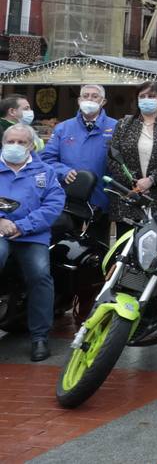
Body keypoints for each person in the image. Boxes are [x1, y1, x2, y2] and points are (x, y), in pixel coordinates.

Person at [0, 123, 63, 360]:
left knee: (40, 274)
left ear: (31, 145)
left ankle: (39, 337)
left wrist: (22, 226)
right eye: (10, 141)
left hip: (32, 234)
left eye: (21, 142)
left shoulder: (45, 172)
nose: (15, 146)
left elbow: (53, 205)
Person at [106, 81, 157, 236]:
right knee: (126, 245)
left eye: (151, 96)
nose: (146, 99)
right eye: (142, 96)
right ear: (137, 100)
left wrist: (151, 179)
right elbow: (113, 157)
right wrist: (134, 181)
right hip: (129, 192)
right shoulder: (123, 125)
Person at [40, 83, 117, 238]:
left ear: (103, 102)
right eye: (85, 96)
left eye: (95, 96)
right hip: (69, 197)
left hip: (101, 198)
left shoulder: (116, 127)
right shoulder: (63, 128)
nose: (89, 99)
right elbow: (47, 159)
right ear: (79, 100)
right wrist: (63, 172)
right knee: (65, 243)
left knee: (98, 245)